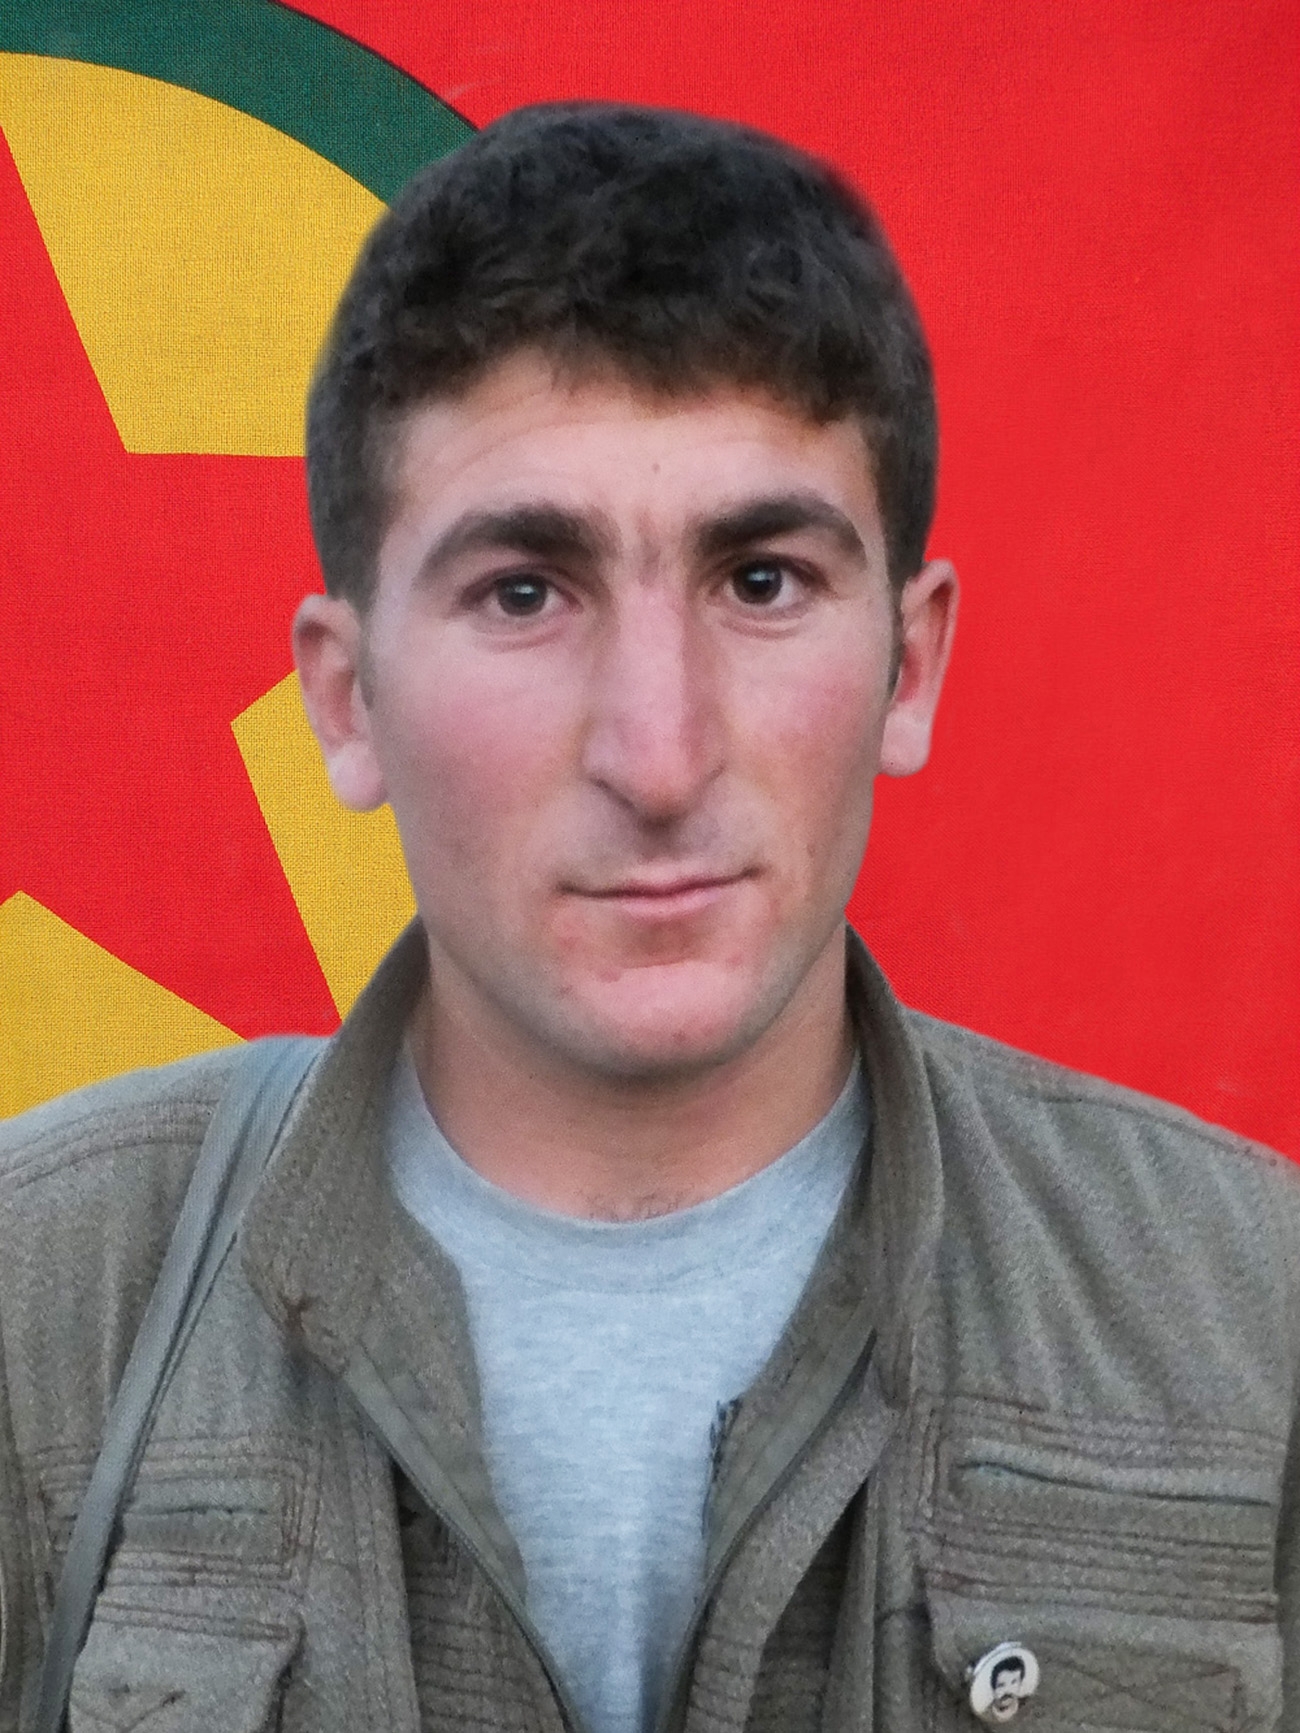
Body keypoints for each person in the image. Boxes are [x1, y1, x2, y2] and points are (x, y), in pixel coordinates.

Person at [1, 101, 1297, 1733]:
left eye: (761, 579)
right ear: (346, 698)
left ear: (909, 666)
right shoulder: (40, 1312)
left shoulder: (1255, 1317)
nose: (660, 754)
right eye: (524, 591)